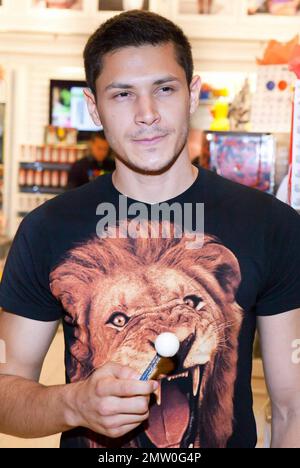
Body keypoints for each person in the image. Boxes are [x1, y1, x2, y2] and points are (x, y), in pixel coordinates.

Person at [0, 10, 300, 449]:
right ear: (93, 107)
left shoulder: (272, 226)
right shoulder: (47, 229)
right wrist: (74, 404)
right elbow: (6, 391)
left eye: (164, 89)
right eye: (122, 94)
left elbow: (292, 407)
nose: (147, 114)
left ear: (192, 94)